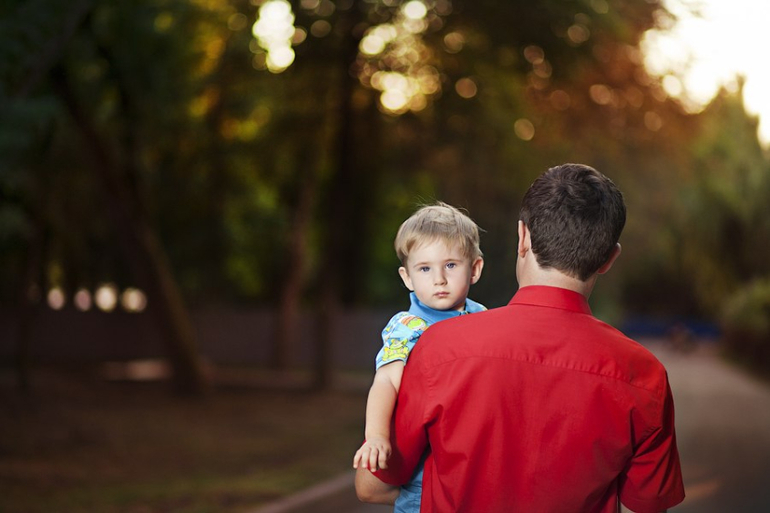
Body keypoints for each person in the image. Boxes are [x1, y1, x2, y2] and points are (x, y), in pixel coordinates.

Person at [356, 164, 685, 513]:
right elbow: (648, 506)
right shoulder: (644, 376)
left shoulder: (438, 347)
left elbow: (372, 484)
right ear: (608, 258)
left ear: (523, 237)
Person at [352, 202, 486, 512]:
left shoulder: (482, 318)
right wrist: (375, 435)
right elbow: (385, 380)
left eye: (450, 265)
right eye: (424, 268)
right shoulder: (409, 327)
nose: (439, 278)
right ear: (407, 277)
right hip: (424, 469)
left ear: (475, 269)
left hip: (470, 455)